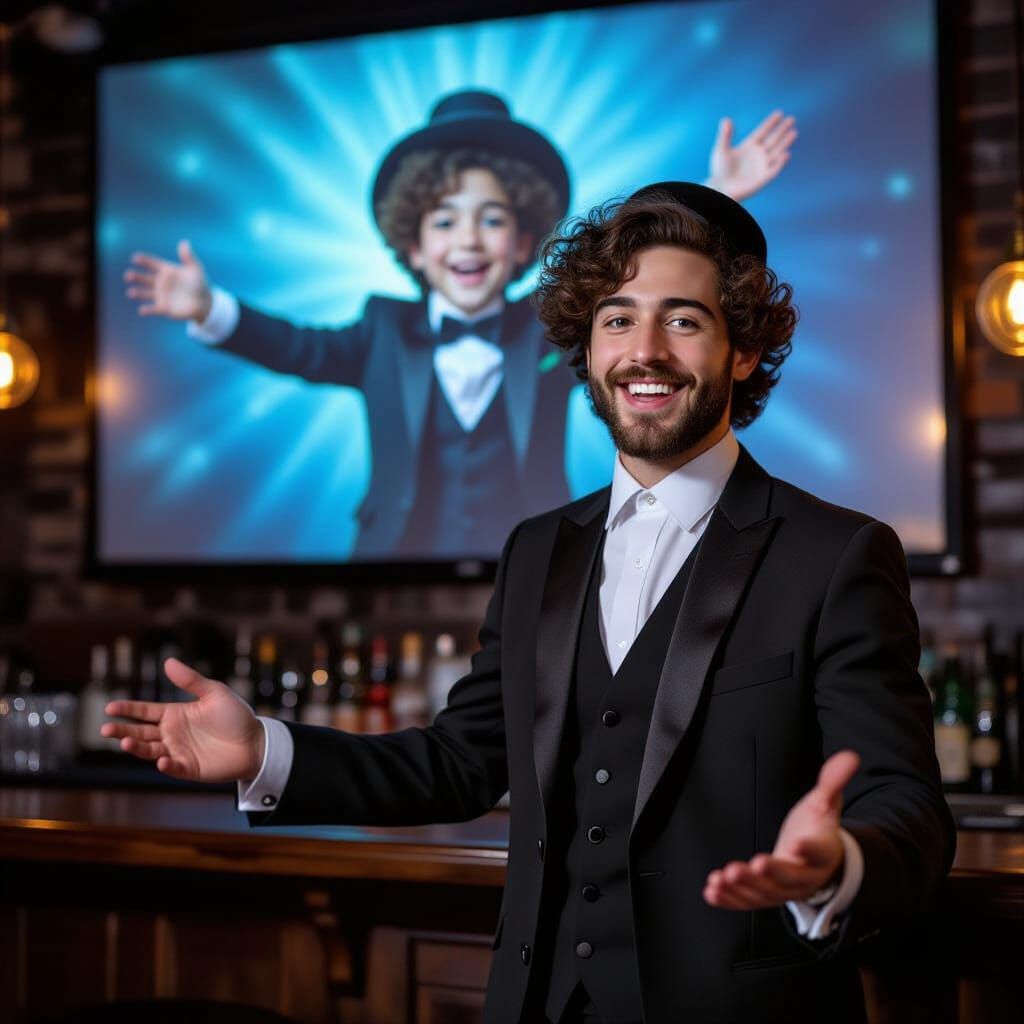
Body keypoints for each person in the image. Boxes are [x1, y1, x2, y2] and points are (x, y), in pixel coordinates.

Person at [104, 181, 954, 1024]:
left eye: (684, 320)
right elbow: (461, 763)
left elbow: (907, 806)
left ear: (742, 351)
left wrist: (840, 863)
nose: (645, 349)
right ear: (585, 350)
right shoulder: (538, 549)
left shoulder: (835, 553)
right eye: (617, 319)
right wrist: (265, 751)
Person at [123, 90, 797, 559]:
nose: (468, 239)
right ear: (411, 246)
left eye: (493, 219)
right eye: (444, 220)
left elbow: (648, 275)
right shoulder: (380, 329)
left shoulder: (559, 329)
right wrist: (211, 308)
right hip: (389, 564)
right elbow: (299, 349)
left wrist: (720, 198)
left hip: (553, 559)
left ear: (523, 239)